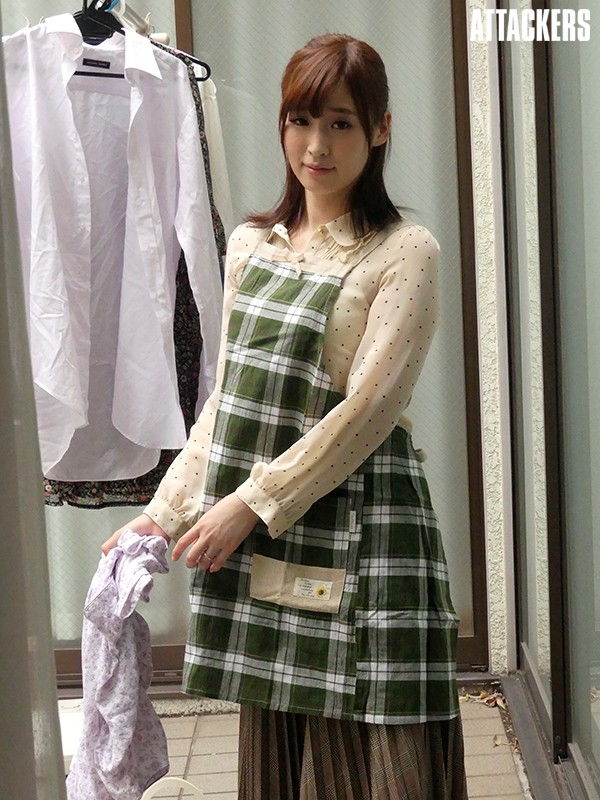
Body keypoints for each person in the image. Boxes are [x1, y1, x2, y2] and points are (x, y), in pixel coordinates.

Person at [103, 33, 467, 800]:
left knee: (381, 749)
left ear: (381, 129)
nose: (316, 145)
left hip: (369, 528)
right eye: (301, 120)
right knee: (285, 743)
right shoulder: (250, 246)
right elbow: (229, 399)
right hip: (266, 531)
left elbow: (368, 410)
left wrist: (249, 504)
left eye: (340, 123)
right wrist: (162, 515)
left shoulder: (405, 251)